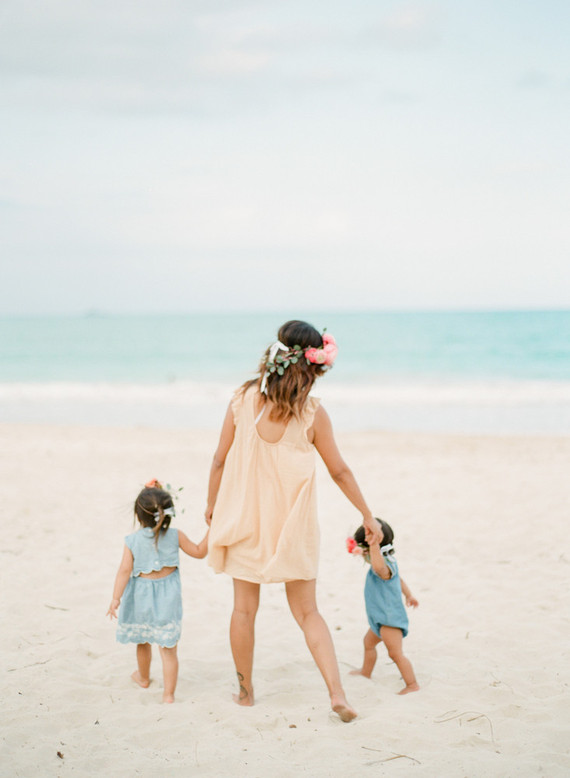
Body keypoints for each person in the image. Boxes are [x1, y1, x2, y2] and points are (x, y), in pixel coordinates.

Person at [206, 320, 381, 722]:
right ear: (313, 368)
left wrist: (212, 505)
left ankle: (245, 694)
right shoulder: (313, 413)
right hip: (292, 526)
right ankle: (337, 694)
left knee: (243, 610)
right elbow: (340, 471)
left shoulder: (243, 399)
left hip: (246, 519)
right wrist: (366, 513)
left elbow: (219, 458)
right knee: (308, 612)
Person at [107, 480, 209, 703]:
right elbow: (200, 551)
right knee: (168, 649)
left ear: (138, 515)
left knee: (142, 641)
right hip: (167, 600)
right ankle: (168, 695)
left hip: (140, 599)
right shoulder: (175, 536)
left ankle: (143, 678)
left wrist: (116, 598)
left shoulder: (132, 541)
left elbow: (124, 570)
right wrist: (214, 528)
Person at [347, 518, 419, 694]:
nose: (363, 555)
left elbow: (380, 568)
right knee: (368, 643)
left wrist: (373, 546)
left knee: (395, 654)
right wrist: (409, 594)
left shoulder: (383, 566)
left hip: (390, 620)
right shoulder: (387, 563)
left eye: (364, 551)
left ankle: (412, 684)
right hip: (380, 619)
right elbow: (399, 580)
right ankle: (365, 672)